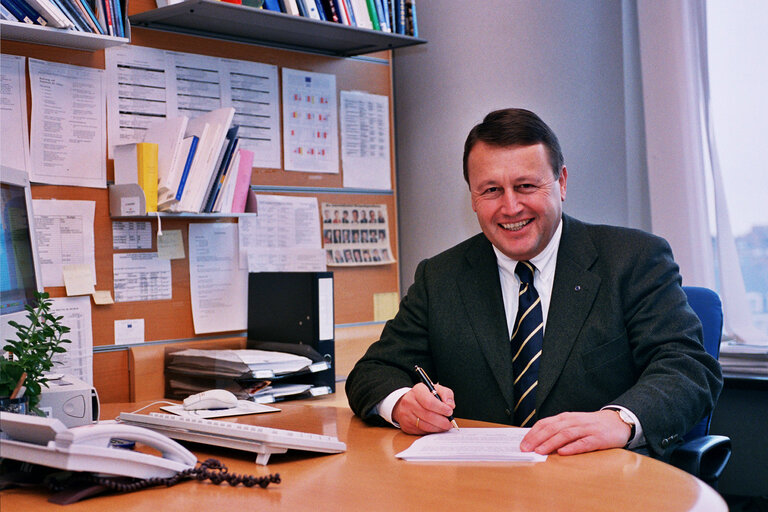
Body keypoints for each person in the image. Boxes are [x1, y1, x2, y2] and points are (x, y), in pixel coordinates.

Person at [346, 108, 723, 459]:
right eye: (491, 190)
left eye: (526, 185)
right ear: (473, 199)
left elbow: (688, 368)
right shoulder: (441, 276)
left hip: (599, 483)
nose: (510, 207)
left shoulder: (633, 259)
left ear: (560, 182)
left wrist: (619, 420)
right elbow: (373, 370)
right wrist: (400, 403)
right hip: (475, 488)